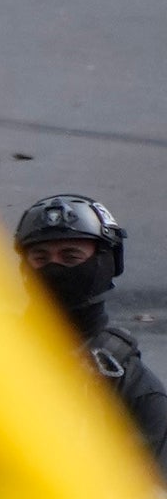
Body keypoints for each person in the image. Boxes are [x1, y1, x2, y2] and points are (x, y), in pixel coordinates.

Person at [17, 194, 167, 469]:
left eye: (70, 256)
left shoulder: (131, 385)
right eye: (40, 257)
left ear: (106, 262)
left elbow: (155, 498)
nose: (54, 268)